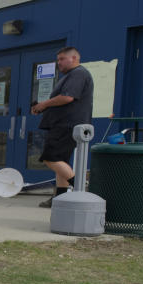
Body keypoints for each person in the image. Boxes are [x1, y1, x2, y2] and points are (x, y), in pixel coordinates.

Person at [31, 46, 94, 208]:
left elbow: (67, 97)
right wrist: (44, 107)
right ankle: (59, 198)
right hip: (65, 124)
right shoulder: (72, 75)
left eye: (62, 59)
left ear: (74, 58)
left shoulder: (78, 73)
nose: (59, 63)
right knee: (61, 161)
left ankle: (82, 190)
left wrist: (44, 104)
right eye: (57, 59)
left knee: (51, 158)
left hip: (67, 125)